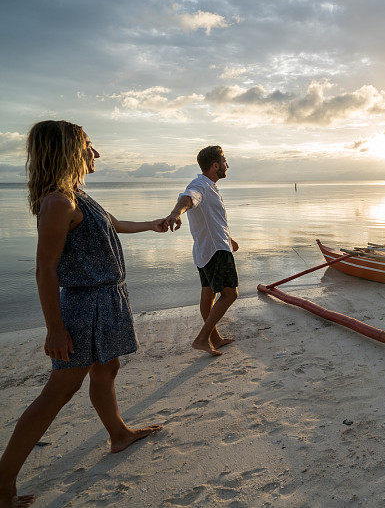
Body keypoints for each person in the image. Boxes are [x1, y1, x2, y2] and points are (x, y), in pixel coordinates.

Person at [0, 121, 165, 508]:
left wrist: (152, 225)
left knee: (107, 369)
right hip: (83, 306)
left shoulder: (78, 194)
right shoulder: (58, 201)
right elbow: (45, 269)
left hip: (108, 300)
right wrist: (54, 329)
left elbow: (114, 225)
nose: (97, 153)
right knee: (59, 391)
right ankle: (2, 481)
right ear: (70, 150)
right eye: (90, 145)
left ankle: (119, 433)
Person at [165, 145, 239, 356]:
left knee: (208, 296)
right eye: (225, 161)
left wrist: (229, 239)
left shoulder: (209, 187)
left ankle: (214, 337)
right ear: (215, 165)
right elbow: (187, 198)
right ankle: (202, 338)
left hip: (206, 250)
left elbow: (213, 220)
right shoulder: (200, 186)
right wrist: (175, 213)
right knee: (230, 294)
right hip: (216, 250)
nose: (227, 165)